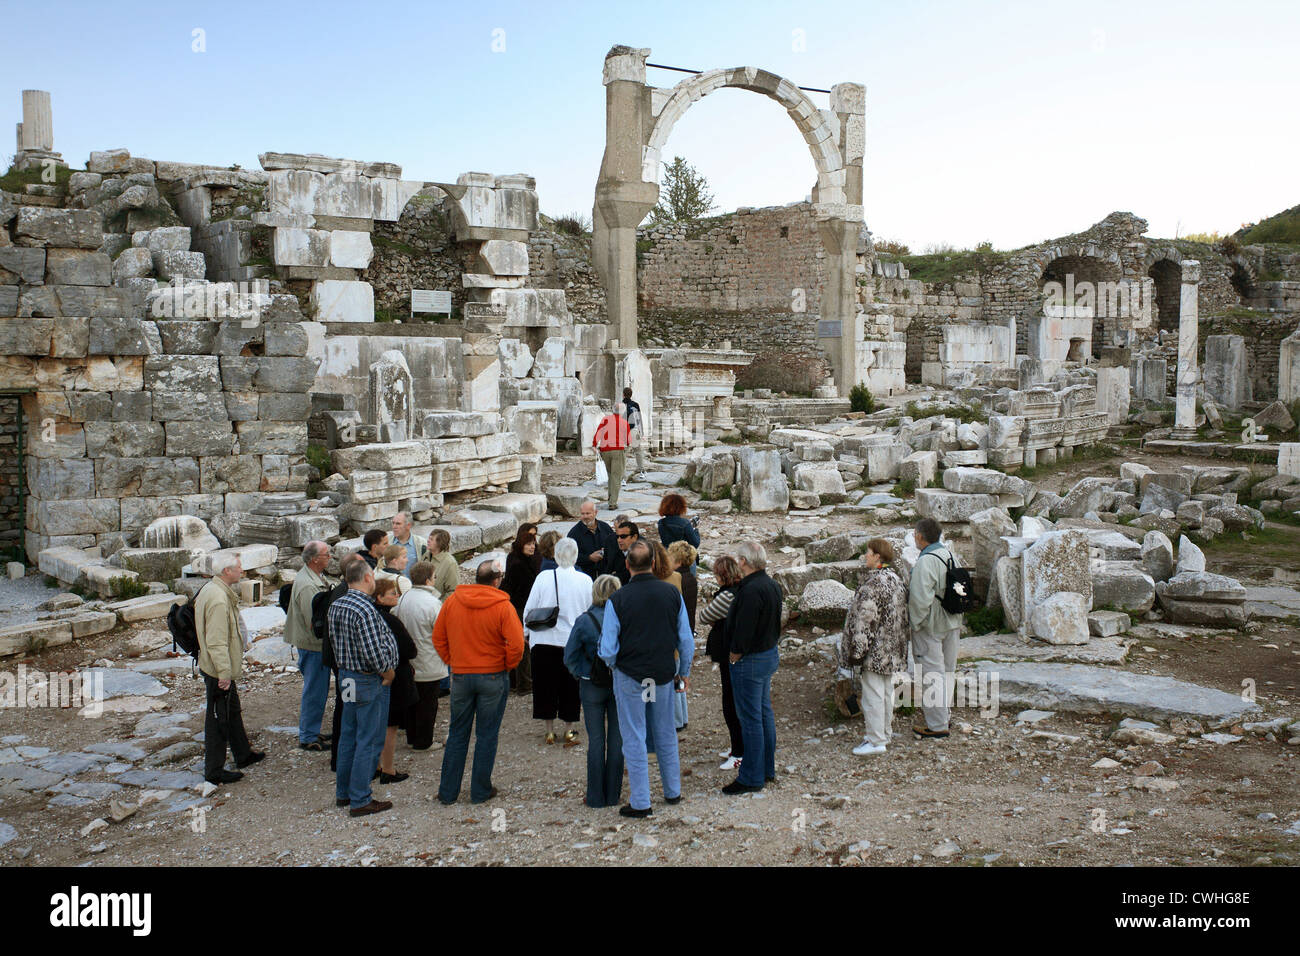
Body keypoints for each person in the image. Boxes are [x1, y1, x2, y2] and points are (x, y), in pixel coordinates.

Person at [598, 541, 695, 818]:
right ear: (653, 563)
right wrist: (683, 671)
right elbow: (686, 639)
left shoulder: (618, 599)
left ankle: (641, 801)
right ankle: (672, 790)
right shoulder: (671, 593)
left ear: (627, 566)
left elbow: (607, 648)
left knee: (634, 736)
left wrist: (615, 665)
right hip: (663, 674)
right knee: (665, 732)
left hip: (630, 676)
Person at [434, 560, 525, 804]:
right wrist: (506, 665)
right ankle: (480, 790)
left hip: (462, 675)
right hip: (493, 675)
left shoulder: (453, 602)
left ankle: (448, 792)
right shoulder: (503, 606)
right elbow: (517, 644)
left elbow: (438, 636)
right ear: (497, 580)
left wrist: (453, 661)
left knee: (457, 733)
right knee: (486, 734)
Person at [327, 558, 398, 817]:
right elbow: (373, 651)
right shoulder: (364, 609)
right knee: (369, 738)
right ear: (367, 578)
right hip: (367, 678)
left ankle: (344, 792)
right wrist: (388, 672)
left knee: (348, 734)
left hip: (346, 676)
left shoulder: (337, 604)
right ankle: (360, 798)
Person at [194, 554, 263, 785]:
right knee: (217, 719)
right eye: (239, 568)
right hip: (216, 669)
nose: (242, 571)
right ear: (227, 571)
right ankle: (213, 770)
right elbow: (216, 641)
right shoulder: (218, 600)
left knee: (232, 711)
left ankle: (243, 754)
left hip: (216, 665)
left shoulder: (214, 589)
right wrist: (224, 673)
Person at [722, 541, 782, 795]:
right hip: (768, 653)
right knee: (763, 713)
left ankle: (751, 776)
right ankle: (766, 768)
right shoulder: (771, 584)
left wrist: (735, 654)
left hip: (751, 659)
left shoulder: (749, 590)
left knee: (750, 719)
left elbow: (744, 630)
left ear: (744, 562)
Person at [841, 538, 910, 756]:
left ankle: (875, 739)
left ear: (877, 556)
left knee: (872, 695)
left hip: (875, 651)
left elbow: (865, 622)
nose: (865, 556)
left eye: (868, 552)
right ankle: (884, 733)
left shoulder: (873, 584)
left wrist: (857, 653)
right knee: (886, 692)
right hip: (892, 649)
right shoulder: (896, 579)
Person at [563, 574, 624, 808]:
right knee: (617, 740)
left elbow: (569, 655)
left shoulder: (584, 620)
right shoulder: (623, 618)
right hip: (618, 681)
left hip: (591, 683)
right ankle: (613, 794)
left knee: (596, 740)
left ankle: (595, 796)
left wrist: (580, 673)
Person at [522, 537, 588, 746]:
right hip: (571, 641)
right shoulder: (585, 580)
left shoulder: (543, 577)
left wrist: (526, 632)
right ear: (575, 555)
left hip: (543, 639)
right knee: (570, 686)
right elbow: (588, 612)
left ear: (555, 555)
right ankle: (569, 729)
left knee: (544, 685)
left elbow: (530, 608)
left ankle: (549, 730)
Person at [908, 518, 963, 739]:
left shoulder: (925, 561)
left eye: (915, 534)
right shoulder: (949, 555)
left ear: (921, 536)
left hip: (931, 624)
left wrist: (915, 624)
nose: (914, 537)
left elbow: (920, 599)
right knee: (947, 670)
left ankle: (937, 724)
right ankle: (945, 714)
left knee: (932, 673)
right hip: (952, 621)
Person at [394, 561, 447, 750]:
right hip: (428, 659)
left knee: (412, 702)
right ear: (427, 580)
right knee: (427, 703)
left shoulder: (402, 598)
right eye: (434, 577)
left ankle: (412, 737)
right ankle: (423, 741)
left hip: (409, 660)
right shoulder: (432, 603)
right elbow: (442, 632)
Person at [285, 541, 332, 751]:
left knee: (318, 689)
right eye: (326, 554)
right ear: (315, 559)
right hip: (313, 645)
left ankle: (312, 731)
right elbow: (313, 620)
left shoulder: (315, 577)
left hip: (315, 645)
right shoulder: (307, 586)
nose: (330, 557)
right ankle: (308, 736)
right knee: (314, 690)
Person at [699, 555, 744, 771]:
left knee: (731, 702)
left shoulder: (727, 596)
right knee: (732, 700)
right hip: (731, 651)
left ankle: (739, 752)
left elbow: (705, 616)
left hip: (729, 653)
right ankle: (737, 747)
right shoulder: (740, 590)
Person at [372, 577, 417, 783]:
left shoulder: (371, 616)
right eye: (392, 593)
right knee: (391, 725)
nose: (397, 596)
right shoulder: (390, 620)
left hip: (378, 675)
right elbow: (409, 649)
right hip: (395, 675)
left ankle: (378, 765)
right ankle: (387, 769)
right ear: (380, 597)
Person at [501, 523, 540, 695]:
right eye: (529, 543)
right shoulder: (518, 563)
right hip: (519, 607)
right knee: (522, 646)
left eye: (534, 542)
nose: (532, 546)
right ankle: (524, 683)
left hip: (523, 606)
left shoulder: (524, 558)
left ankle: (518, 682)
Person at [667, 540, 698, 732]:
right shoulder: (690, 578)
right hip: (687, 628)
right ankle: (682, 717)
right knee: (678, 677)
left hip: (679, 632)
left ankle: (677, 720)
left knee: (676, 677)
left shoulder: (677, 578)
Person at [593, 402, 630, 510]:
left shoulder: (605, 420)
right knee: (616, 477)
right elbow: (628, 441)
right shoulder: (624, 422)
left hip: (605, 451)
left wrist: (594, 445)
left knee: (610, 475)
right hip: (618, 451)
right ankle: (612, 503)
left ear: (612, 410)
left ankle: (610, 498)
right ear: (622, 411)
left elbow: (598, 433)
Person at [568, 500, 618, 580]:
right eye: (582, 514)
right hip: (585, 577)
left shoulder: (605, 528)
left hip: (606, 576)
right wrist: (589, 558)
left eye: (588, 513)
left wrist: (607, 552)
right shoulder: (574, 533)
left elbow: (615, 546)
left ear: (595, 512)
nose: (585, 517)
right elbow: (569, 556)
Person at [426, 529, 459, 599]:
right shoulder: (425, 556)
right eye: (429, 538)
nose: (428, 541)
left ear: (439, 543)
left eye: (431, 539)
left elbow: (454, 591)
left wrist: (439, 605)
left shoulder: (450, 563)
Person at [623, 386, 647, 477]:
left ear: (623, 395)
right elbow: (639, 419)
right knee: (638, 450)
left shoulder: (620, 405)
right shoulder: (635, 405)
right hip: (634, 430)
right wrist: (641, 432)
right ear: (631, 395)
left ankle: (623, 475)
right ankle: (641, 470)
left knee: (624, 453)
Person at [612, 520, 639, 584]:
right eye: (617, 537)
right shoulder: (615, 553)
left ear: (634, 537)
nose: (619, 540)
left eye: (623, 537)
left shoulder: (643, 555)